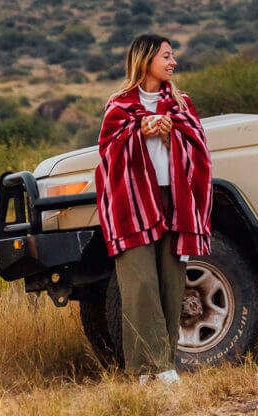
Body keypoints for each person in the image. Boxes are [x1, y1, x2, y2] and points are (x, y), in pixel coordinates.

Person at [95, 33, 212, 384]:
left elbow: (200, 148)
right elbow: (108, 155)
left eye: (172, 55)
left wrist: (169, 134)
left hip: (173, 200)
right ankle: (158, 368)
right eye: (166, 56)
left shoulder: (181, 104)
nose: (173, 62)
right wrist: (139, 132)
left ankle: (152, 369)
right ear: (146, 60)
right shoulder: (118, 107)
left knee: (170, 284)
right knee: (140, 285)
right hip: (132, 205)